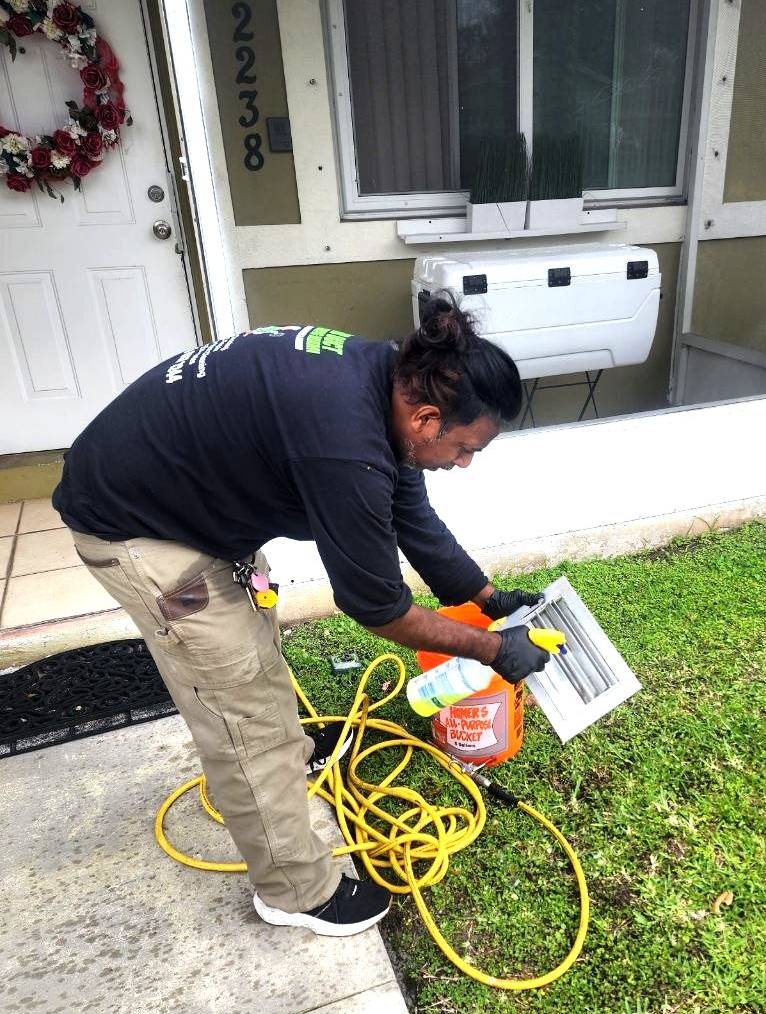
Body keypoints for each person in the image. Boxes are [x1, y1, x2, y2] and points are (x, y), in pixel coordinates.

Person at [53, 298, 549, 938]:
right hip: (138, 530)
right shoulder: (347, 446)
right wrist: (490, 650)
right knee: (244, 714)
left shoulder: (382, 379)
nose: (463, 464)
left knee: (256, 660)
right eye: (463, 449)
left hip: (184, 506)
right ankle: (294, 891)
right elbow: (377, 607)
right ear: (427, 419)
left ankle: (291, 757)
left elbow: (414, 521)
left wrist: (485, 598)